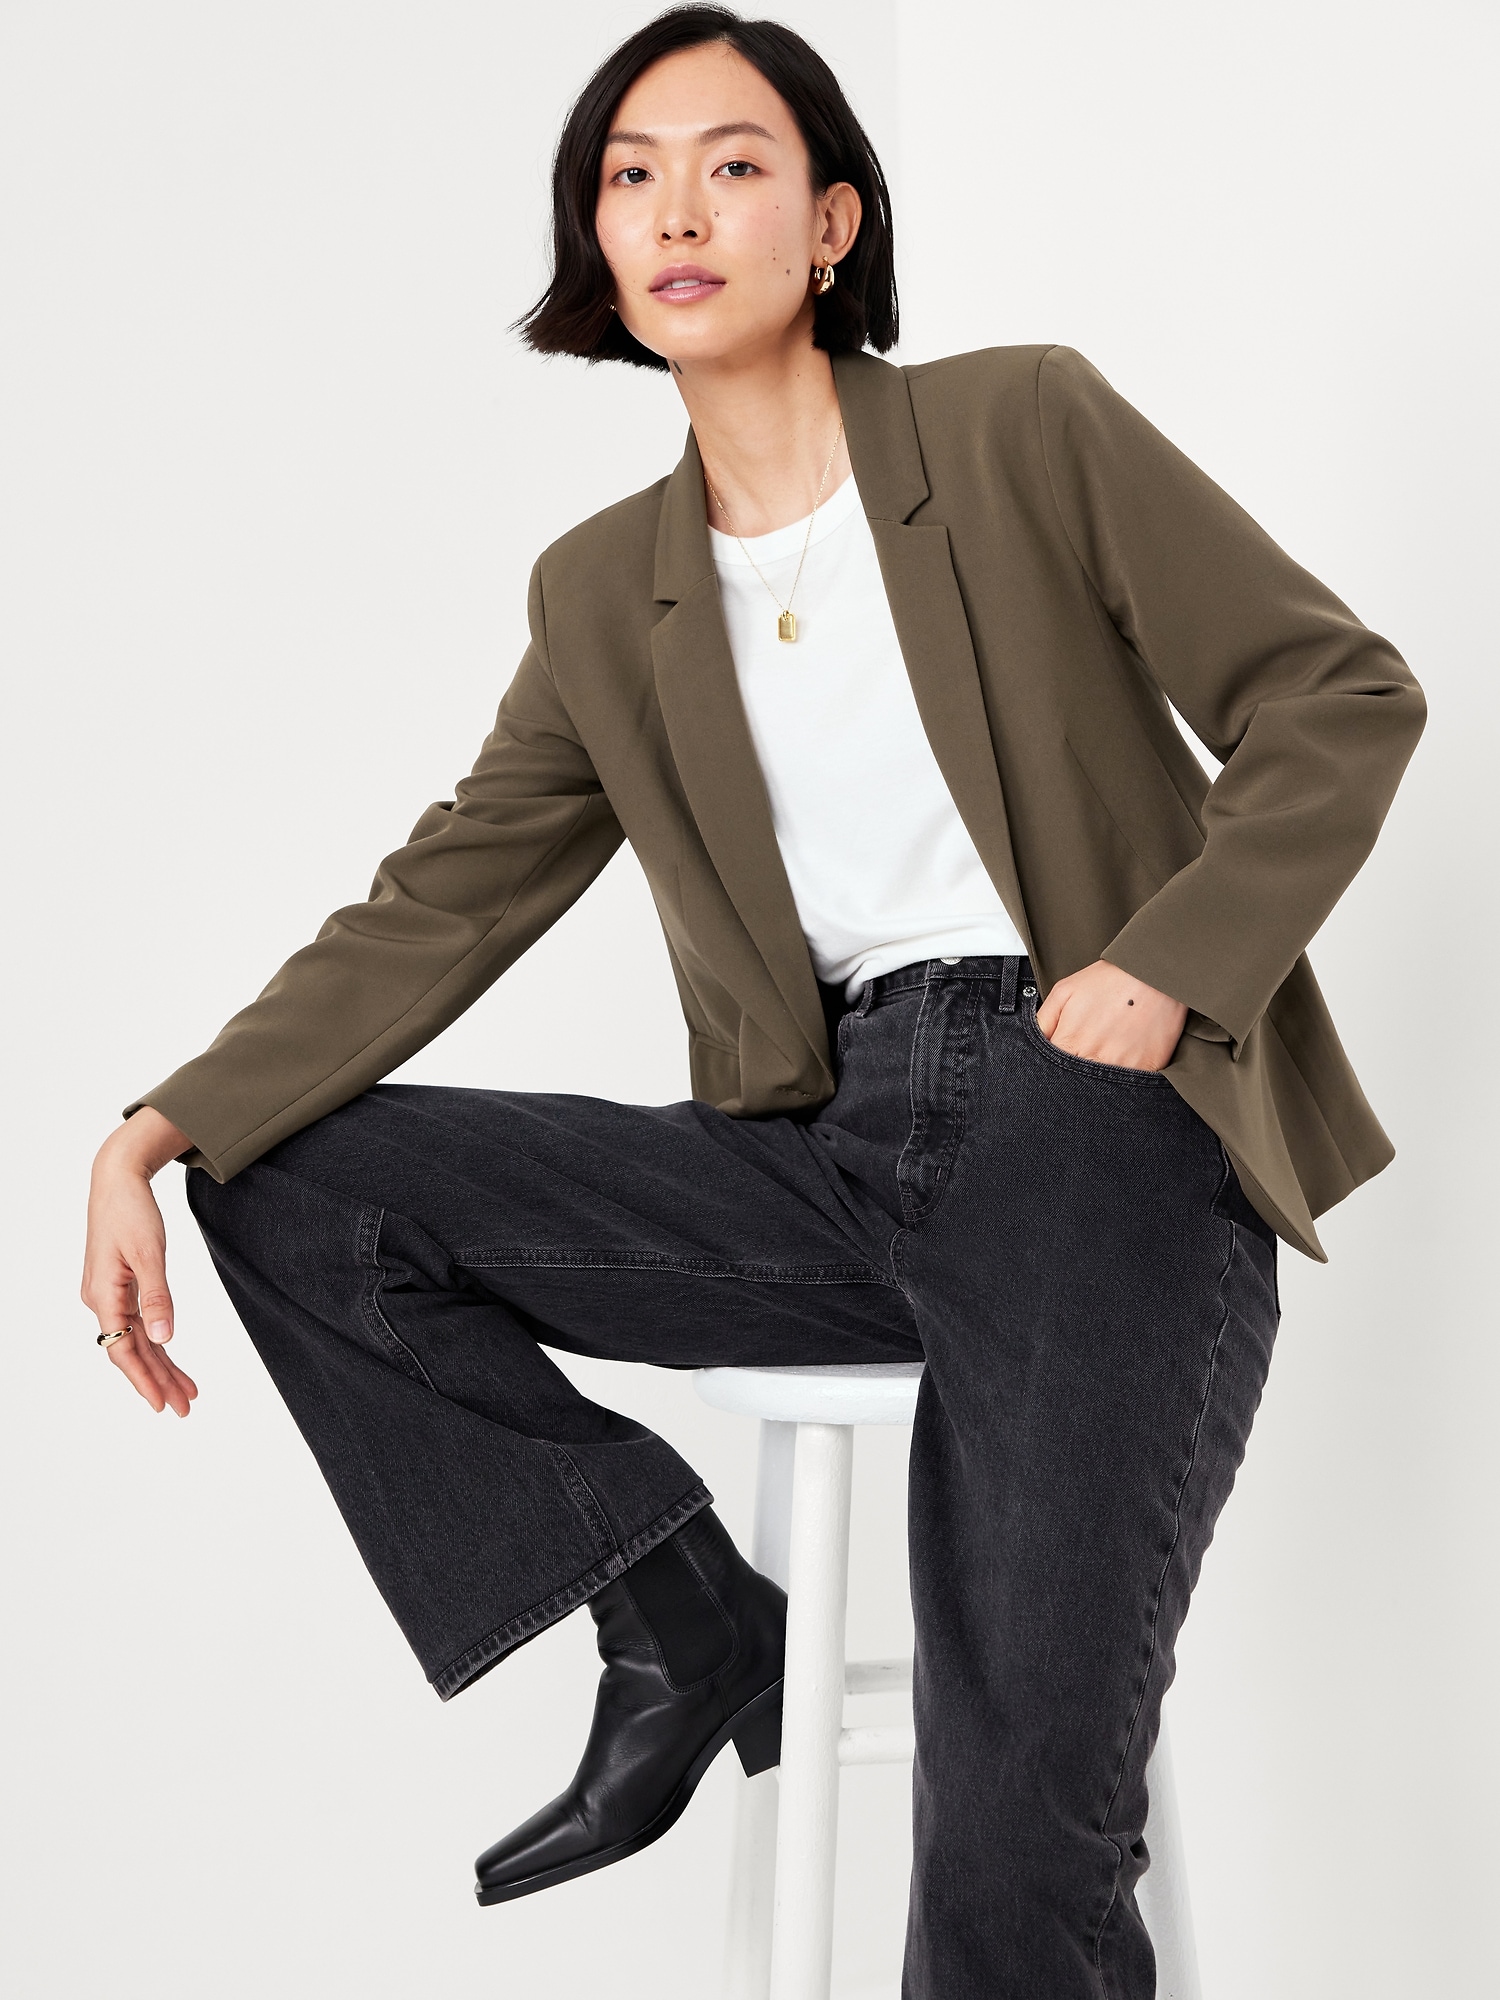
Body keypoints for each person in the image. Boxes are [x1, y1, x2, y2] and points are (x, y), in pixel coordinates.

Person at [80, 8, 1425, 1995]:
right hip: (828, 1156)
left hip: (1089, 1128)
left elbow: (1337, 692)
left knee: (1007, 1851)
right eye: (630, 175)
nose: (675, 211)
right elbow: (449, 892)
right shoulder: (600, 591)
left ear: (831, 224)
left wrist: (1169, 962)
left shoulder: (1018, 427)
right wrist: (154, 1126)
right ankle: (684, 1618)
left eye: (731, 166)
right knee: (295, 1187)